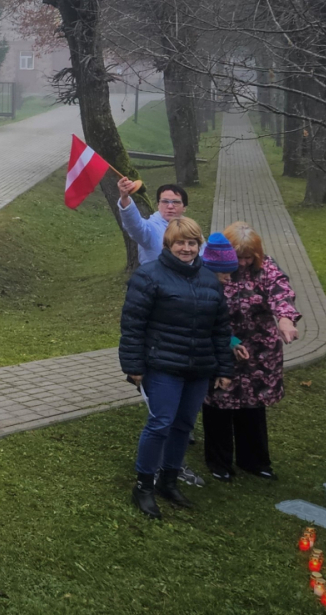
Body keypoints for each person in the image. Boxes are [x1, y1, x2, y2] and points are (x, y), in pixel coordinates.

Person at [118, 216, 234, 519]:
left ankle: (169, 481)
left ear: (199, 246)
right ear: (169, 244)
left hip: (198, 368)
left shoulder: (210, 279)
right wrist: (133, 366)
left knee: (183, 425)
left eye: (192, 242)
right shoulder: (148, 276)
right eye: (180, 242)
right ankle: (144, 485)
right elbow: (133, 325)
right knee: (160, 423)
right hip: (162, 366)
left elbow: (220, 329)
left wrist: (224, 369)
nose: (186, 248)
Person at [200, 225, 300, 482]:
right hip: (222, 347)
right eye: (239, 256)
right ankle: (219, 461)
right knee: (218, 403)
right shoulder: (215, 269)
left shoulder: (266, 268)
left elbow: (281, 292)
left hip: (259, 351)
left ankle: (254, 460)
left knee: (253, 405)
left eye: (249, 257)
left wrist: (286, 319)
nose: (243, 263)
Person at [115, 179, 195, 266]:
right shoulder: (149, 229)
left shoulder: (191, 228)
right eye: (165, 202)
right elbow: (134, 225)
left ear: (184, 207)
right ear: (158, 205)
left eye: (176, 202)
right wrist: (125, 198)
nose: (170, 206)